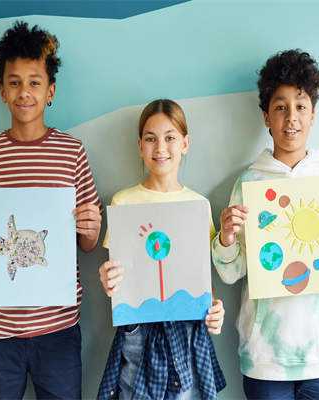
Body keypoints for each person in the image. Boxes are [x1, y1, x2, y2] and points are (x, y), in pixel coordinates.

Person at [0, 21, 101, 399]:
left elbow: (87, 245)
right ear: (2, 90)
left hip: (59, 328)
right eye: (14, 82)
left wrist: (92, 227)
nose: (24, 92)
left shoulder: (71, 152)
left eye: (34, 82)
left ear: (51, 91)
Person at [212, 49, 319, 399]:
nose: (291, 117)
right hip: (264, 356)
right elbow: (231, 273)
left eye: (300, 106)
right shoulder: (248, 184)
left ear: (313, 114)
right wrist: (226, 238)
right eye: (281, 107)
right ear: (266, 116)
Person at [97, 99, 226, 400]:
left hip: (188, 333)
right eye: (151, 139)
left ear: (185, 144)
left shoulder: (198, 205)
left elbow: (201, 281)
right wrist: (108, 281)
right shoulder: (123, 203)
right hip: (139, 335)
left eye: (170, 138)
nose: (160, 148)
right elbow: (117, 281)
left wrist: (215, 310)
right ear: (140, 146)